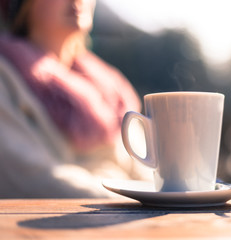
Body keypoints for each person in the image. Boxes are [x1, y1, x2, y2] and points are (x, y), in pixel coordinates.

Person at [0, 0, 151, 198]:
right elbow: (34, 179)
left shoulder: (108, 85)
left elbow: (147, 172)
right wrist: (138, 200)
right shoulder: (6, 76)